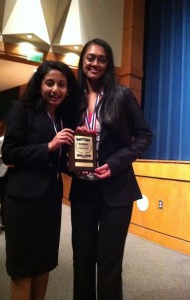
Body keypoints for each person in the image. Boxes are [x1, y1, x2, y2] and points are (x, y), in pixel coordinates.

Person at [69, 38, 153, 300]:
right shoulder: (71, 99)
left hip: (116, 191)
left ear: (108, 63)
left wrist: (115, 163)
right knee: (82, 262)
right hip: (83, 189)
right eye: (90, 57)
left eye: (101, 59)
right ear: (82, 61)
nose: (95, 63)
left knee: (109, 264)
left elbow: (144, 136)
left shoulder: (122, 95)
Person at [2, 60, 78, 300]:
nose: (55, 89)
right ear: (39, 84)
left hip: (50, 199)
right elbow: (9, 153)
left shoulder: (64, 118)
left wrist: (79, 165)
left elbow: (60, 160)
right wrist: (49, 146)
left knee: (43, 264)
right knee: (23, 268)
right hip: (23, 200)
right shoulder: (21, 110)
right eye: (50, 83)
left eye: (62, 85)